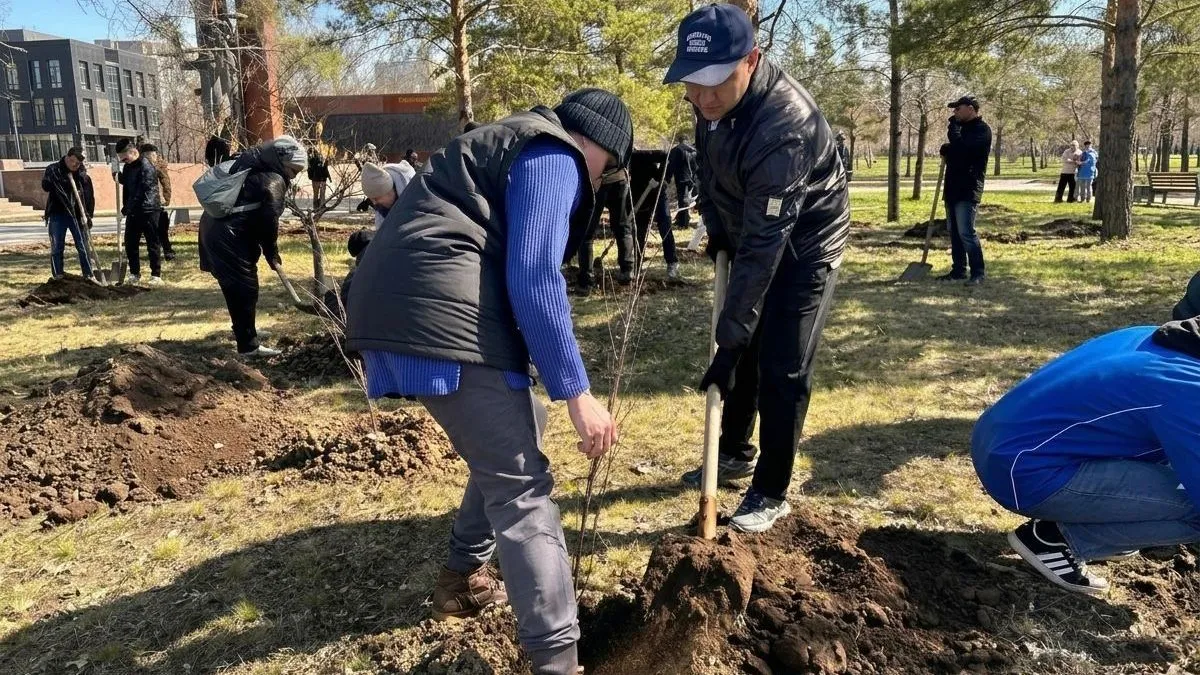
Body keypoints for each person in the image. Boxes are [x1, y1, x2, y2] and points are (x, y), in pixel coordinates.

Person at [346, 88, 631, 675]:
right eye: (607, 167)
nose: (599, 180)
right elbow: (534, 274)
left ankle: (461, 577)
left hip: (398, 304)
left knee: (521, 427)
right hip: (435, 312)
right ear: (595, 144)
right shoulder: (554, 154)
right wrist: (577, 391)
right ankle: (557, 663)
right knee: (522, 490)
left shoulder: (512, 141)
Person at [666, 4, 850, 533]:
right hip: (753, 227)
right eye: (692, 84)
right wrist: (718, 228)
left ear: (752, 59)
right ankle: (733, 451)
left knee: (782, 363)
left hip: (805, 243)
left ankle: (771, 489)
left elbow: (768, 243)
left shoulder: (784, 126)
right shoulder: (711, 104)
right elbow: (710, 172)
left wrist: (728, 340)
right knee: (743, 348)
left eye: (715, 83)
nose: (702, 98)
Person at [972, 321, 1200, 595]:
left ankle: (1106, 525)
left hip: (999, 441)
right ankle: (1057, 540)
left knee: (1175, 461)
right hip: (1025, 472)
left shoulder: (1167, 338)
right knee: (1194, 510)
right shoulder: (1187, 389)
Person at [199, 136, 307, 358]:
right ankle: (248, 346)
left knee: (236, 288)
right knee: (244, 289)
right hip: (229, 237)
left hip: (215, 229)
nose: (294, 175)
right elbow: (269, 222)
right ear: (282, 162)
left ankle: (245, 330)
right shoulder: (273, 180)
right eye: (293, 170)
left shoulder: (251, 164)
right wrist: (271, 252)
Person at [938, 95, 992, 285]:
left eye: (957, 109)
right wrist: (948, 149)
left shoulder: (982, 130)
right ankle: (958, 270)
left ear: (970, 108)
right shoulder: (962, 130)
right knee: (954, 232)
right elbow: (957, 152)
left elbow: (964, 150)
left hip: (968, 188)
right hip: (952, 187)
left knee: (966, 232)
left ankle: (978, 273)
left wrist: (952, 131)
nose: (954, 113)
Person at [575, 168, 635, 295]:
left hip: (597, 181)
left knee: (586, 233)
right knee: (623, 228)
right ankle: (627, 271)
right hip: (619, 179)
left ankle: (586, 281)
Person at [41, 147, 95, 281]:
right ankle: (58, 275)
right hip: (57, 214)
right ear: (67, 157)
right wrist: (54, 180)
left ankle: (88, 275)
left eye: (78, 163)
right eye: (73, 162)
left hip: (77, 215)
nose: (75, 165)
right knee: (57, 246)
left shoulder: (82, 175)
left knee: (83, 246)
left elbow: (89, 197)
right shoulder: (53, 169)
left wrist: (88, 215)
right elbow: (46, 186)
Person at [116, 138, 164, 286]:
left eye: (125, 158)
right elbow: (128, 184)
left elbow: (141, 191)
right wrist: (116, 175)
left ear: (133, 152)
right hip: (133, 210)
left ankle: (156, 275)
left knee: (152, 243)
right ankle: (134, 273)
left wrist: (125, 210)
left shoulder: (146, 166)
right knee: (130, 243)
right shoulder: (128, 167)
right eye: (121, 159)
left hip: (148, 209)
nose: (123, 161)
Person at [140, 143, 175, 261]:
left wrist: (166, 198)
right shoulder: (144, 165)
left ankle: (166, 251)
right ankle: (162, 251)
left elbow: (165, 181)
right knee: (155, 229)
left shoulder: (157, 165)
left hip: (156, 202)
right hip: (148, 203)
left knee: (160, 228)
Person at [360, 161, 416, 227]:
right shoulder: (382, 206)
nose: (374, 203)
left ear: (390, 190)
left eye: (376, 198)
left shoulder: (414, 199)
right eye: (371, 199)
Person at [665, 132, 698, 231]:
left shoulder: (676, 150)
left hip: (681, 178)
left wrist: (667, 178)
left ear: (679, 140)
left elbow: (671, 165)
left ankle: (683, 223)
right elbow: (697, 165)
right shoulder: (693, 150)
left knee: (683, 199)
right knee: (687, 199)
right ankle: (682, 219)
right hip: (692, 178)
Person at [307, 145, 331, 210]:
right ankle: (316, 207)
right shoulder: (312, 160)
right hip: (316, 179)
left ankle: (321, 205)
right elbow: (311, 168)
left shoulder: (321, 159)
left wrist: (329, 177)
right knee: (316, 194)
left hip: (321, 179)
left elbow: (325, 168)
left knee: (322, 194)